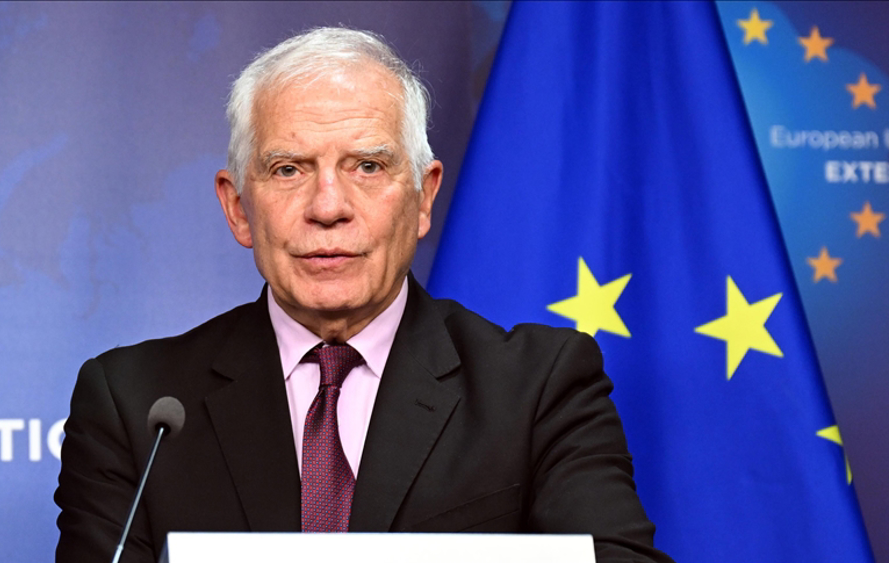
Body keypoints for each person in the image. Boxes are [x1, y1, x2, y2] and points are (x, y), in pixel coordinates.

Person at [55, 27, 672, 563]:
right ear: (237, 207)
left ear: (424, 196)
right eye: (288, 169)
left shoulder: (538, 387)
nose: (328, 207)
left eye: (368, 167)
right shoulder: (134, 403)